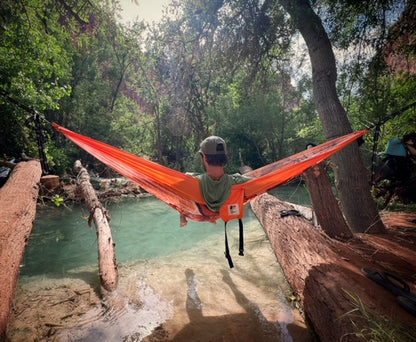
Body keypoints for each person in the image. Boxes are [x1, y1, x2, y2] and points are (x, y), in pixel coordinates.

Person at [180, 136, 251, 226]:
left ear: (204, 157)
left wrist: (182, 217)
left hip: (203, 213)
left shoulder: (190, 182)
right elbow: (263, 182)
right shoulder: (239, 182)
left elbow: (178, 195)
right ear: (224, 157)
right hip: (225, 212)